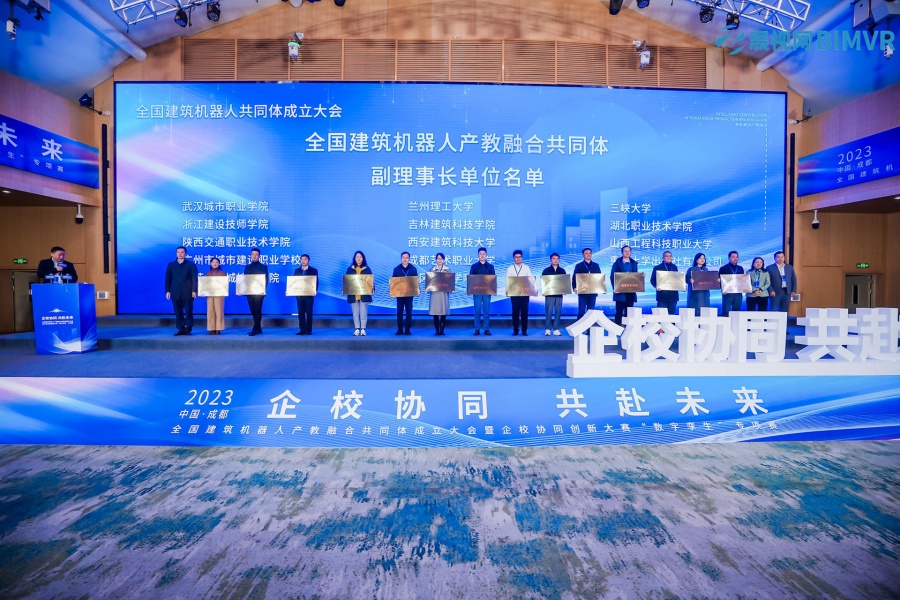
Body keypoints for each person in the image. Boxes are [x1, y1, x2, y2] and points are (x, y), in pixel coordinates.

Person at [164, 246, 198, 336]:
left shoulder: (190, 264)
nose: (180, 254)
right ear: (176, 253)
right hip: (175, 292)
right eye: (178, 252)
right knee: (178, 312)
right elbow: (168, 278)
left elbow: (194, 278)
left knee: (188, 311)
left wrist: (194, 290)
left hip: (188, 292)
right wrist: (167, 290)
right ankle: (181, 328)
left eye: (182, 252)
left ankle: (189, 329)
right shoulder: (171, 264)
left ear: (185, 253)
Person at [346, 250, 373, 336]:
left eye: (360, 257)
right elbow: (347, 282)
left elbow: (371, 281)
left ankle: (363, 329)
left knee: (363, 312)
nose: (359, 258)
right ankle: (357, 328)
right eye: (357, 257)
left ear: (363, 258)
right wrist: (345, 289)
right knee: (355, 312)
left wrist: (372, 290)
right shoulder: (350, 269)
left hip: (364, 295)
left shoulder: (367, 269)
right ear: (354, 258)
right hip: (353, 295)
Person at [469, 247, 495, 336]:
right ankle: (477, 329)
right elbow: (471, 279)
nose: (482, 255)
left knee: (486, 311)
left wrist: (494, 290)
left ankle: (486, 329)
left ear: (486, 255)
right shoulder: (474, 266)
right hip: (477, 292)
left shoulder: (490, 267)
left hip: (487, 292)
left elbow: (493, 279)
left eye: (484, 254)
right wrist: (470, 290)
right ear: (478, 255)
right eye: (480, 254)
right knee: (477, 311)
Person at [611, 245, 639, 326]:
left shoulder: (634, 263)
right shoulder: (617, 263)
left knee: (629, 312)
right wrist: (615, 288)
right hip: (620, 291)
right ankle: (617, 328)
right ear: (622, 252)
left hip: (631, 291)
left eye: (629, 251)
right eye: (625, 251)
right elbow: (612, 276)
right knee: (619, 311)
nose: (627, 253)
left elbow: (635, 276)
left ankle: (628, 329)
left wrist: (640, 277)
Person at [506, 249, 532, 336]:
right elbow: (508, 281)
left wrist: (533, 290)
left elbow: (530, 280)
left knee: (524, 312)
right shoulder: (510, 269)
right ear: (513, 258)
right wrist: (507, 290)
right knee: (515, 312)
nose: (518, 258)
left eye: (519, 257)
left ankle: (524, 330)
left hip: (525, 293)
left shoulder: (526, 268)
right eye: (516, 257)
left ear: (522, 258)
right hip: (514, 293)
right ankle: (515, 330)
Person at [392, 251, 418, 336]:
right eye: (403, 257)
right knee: (399, 312)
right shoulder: (396, 269)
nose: (405, 259)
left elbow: (416, 282)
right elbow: (393, 282)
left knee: (409, 312)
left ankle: (407, 330)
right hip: (399, 294)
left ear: (409, 259)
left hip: (409, 294)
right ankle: (400, 329)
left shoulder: (413, 269)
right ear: (401, 259)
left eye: (407, 257)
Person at [244, 247, 268, 336]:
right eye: (253, 254)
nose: (254, 256)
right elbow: (244, 280)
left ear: (259, 256)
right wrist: (242, 289)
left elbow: (266, 280)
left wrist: (261, 289)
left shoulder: (263, 267)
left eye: (256, 254)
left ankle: (254, 329)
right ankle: (259, 328)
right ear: (250, 255)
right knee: (253, 310)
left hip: (259, 293)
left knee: (258, 310)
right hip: (249, 292)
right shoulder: (247, 267)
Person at [572, 247, 602, 319]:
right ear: (583, 255)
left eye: (590, 253)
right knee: (581, 311)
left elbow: (599, 278)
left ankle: (590, 326)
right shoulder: (579, 265)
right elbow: (574, 277)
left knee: (591, 311)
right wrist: (574, 287)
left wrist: (601, 288)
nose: (588, 255)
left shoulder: (596, 265)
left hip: (593, 292)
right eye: (586, 253)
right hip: (582, 292)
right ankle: (579, 326)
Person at [541, 252, 566, 336]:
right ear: (550, 260)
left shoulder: (562, 271)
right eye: (554, 258)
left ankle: (556, 329)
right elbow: (544, 283)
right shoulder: (546, 270)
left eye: (557, 259)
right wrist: (544, 291)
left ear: (559, 260)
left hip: (559, 294)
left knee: (558, 311)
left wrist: (565, 290)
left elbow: (564, 282)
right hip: (549, 294)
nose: (556, 260)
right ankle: (548, 329)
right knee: (548, 311)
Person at [293, 254, 318, 335]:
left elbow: (316, 282)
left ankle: (309, 330)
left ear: (308, 260)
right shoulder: (297, 270)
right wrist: (292, 291)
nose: (303, 261)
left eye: (305, 259)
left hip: (309, 295)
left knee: (309, 312)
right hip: (299, 295)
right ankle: (302, 329)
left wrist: (315, 291)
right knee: (300, 313)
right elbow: (294, 282)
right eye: (302, 259)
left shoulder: (313, 270)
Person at [650, 250, 679, 315]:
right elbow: (652, 280)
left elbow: (677, 279)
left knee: (671, 315)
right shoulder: (657, 267)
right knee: (661, 315)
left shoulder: (674, 267)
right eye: (666, 256)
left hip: (673, 295)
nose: (668, 257)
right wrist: (656, 286)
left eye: (670, 256)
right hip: (662, 295)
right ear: (663, 258)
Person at [429, 252, 450, 336]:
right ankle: (437, 330)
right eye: (438, 258)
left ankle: (442, 330)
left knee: (443, 312)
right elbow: (430, 282)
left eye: (441, 258)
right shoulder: (432, 270)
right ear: (436, 260)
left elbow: (450, 282)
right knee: (435, 312)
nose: (440, 260)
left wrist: (451, 289)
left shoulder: (447, 270)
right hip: (435, 294)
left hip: (443, 293)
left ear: (444, 260)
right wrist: (428, 288)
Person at [718, 250, 745, 316]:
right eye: (733, 257)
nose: (735, 258)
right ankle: (725, 322)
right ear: (729, 258)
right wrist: (723, 290)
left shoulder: (740, 268)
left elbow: (742, 280)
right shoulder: (723, 268)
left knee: (737, 311)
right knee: (726, 310)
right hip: (727, 292)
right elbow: (720, 280)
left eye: (737, 257)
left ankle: (735, 323)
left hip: (738, 292)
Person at [205, 257, 226, 335]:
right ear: (211, 263)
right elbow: (205, 285)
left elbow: (224, 285)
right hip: (210, 294)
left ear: (219, 264)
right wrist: (203, 292)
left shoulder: (222, 273)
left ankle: (218, 329)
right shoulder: (208, 273)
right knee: (210, 311)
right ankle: (211, 328)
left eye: (216, 262)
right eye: (213, 262)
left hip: (219, 294)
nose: (214, 264)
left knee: (219, 311)